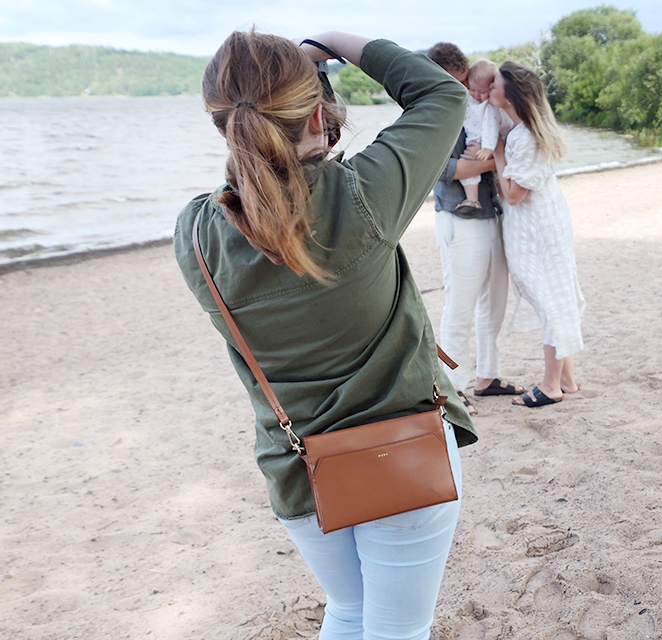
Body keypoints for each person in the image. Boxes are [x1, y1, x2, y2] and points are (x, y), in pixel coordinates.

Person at [173, 30, 475, 640]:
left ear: (224, 125)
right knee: (398, 628)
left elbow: (256, 205)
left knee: (348, 611)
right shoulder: (360, 195)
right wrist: (333, 41)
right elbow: (441, 95)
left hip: (296, 466)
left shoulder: (194, 235)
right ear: (318, 113)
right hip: (403, 455)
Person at [426, 42, 525, 414]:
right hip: (458, 217)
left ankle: (487, 375)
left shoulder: (477, 102)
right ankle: (453, 384)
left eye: (463, 81)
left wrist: (493, 154)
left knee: (494, 300)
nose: (464, 90)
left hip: (492, 213)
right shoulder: (434, 111)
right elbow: (444, 170)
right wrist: (495, 160)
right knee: (461, 304)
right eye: (454, 82)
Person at [489, 61, 586, 408]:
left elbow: (514, 194)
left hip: (535, 226)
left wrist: (498, 153)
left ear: (511, 94)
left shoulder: (523, 137)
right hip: (547, 220)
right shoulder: (527, 130)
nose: (489, 89)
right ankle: (568, 379)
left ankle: (551, 385)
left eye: (495, 84)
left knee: (548, 299)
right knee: (558, 295)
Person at [454, 59, 500, 215]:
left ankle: (474, 200)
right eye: (473, 90)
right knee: (469, 171)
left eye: (482, 92)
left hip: (483, 143)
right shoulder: (469, 99)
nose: (477, 95)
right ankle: (473, 200)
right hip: (473, 142)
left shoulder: (489, 106)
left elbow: (491, 127)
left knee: (472, 168)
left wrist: (488, 148)